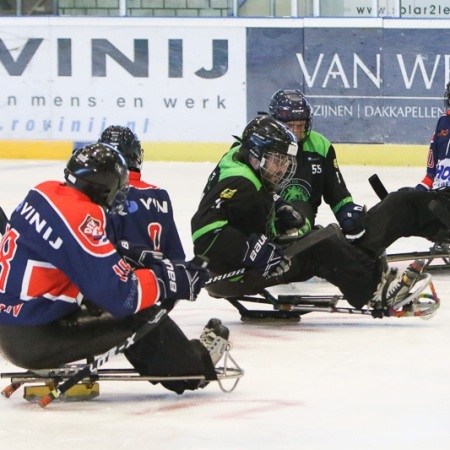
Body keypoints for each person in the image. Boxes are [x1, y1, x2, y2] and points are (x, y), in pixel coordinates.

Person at [0, 143, 229, 395]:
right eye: (117, 190)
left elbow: (73, 247)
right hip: (35, 337)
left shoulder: (44, 193)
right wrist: (169, 279)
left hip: (13, 323)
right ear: (101, 189)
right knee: (139, 311)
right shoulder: (81, 216)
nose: (119, 196)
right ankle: (193, 369)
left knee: (104, 294)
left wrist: (131, 252)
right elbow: (123, 295)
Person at [191, 115, 424, 317]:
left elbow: (236, 212)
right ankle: (375, 292)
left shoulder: (238, 160)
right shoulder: (241, 184)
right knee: (319, 245)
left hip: (232, 267)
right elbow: (204, 234)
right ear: (255, 155)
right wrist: (252, 250)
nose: (282, 168)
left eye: (284, 160)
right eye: (277, 160)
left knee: (318, 235)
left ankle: (374, 278)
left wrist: (278, 206)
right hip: (231, 275)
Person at [352, 81, 450, 259]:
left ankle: (356, 252)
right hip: (442, 201)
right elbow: (431, 176)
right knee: (402, 197)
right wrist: (416, 193)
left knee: (402, 201)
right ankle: (359, 236)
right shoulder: (444, 123)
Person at [267, 89, 366, 242]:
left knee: (301, 208)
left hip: (302, 223)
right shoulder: (262, 143)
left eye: (300, 126)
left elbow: (337, 194)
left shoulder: (321, 146)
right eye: (290, 126)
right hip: (266, 217)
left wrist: (349, 213)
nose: (296, 133)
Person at [98, 125, 185, 260]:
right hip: (158, 277)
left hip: (119, 278)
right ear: (136, 155)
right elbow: (176, 256)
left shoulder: (99, 194)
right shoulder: (160, 195)